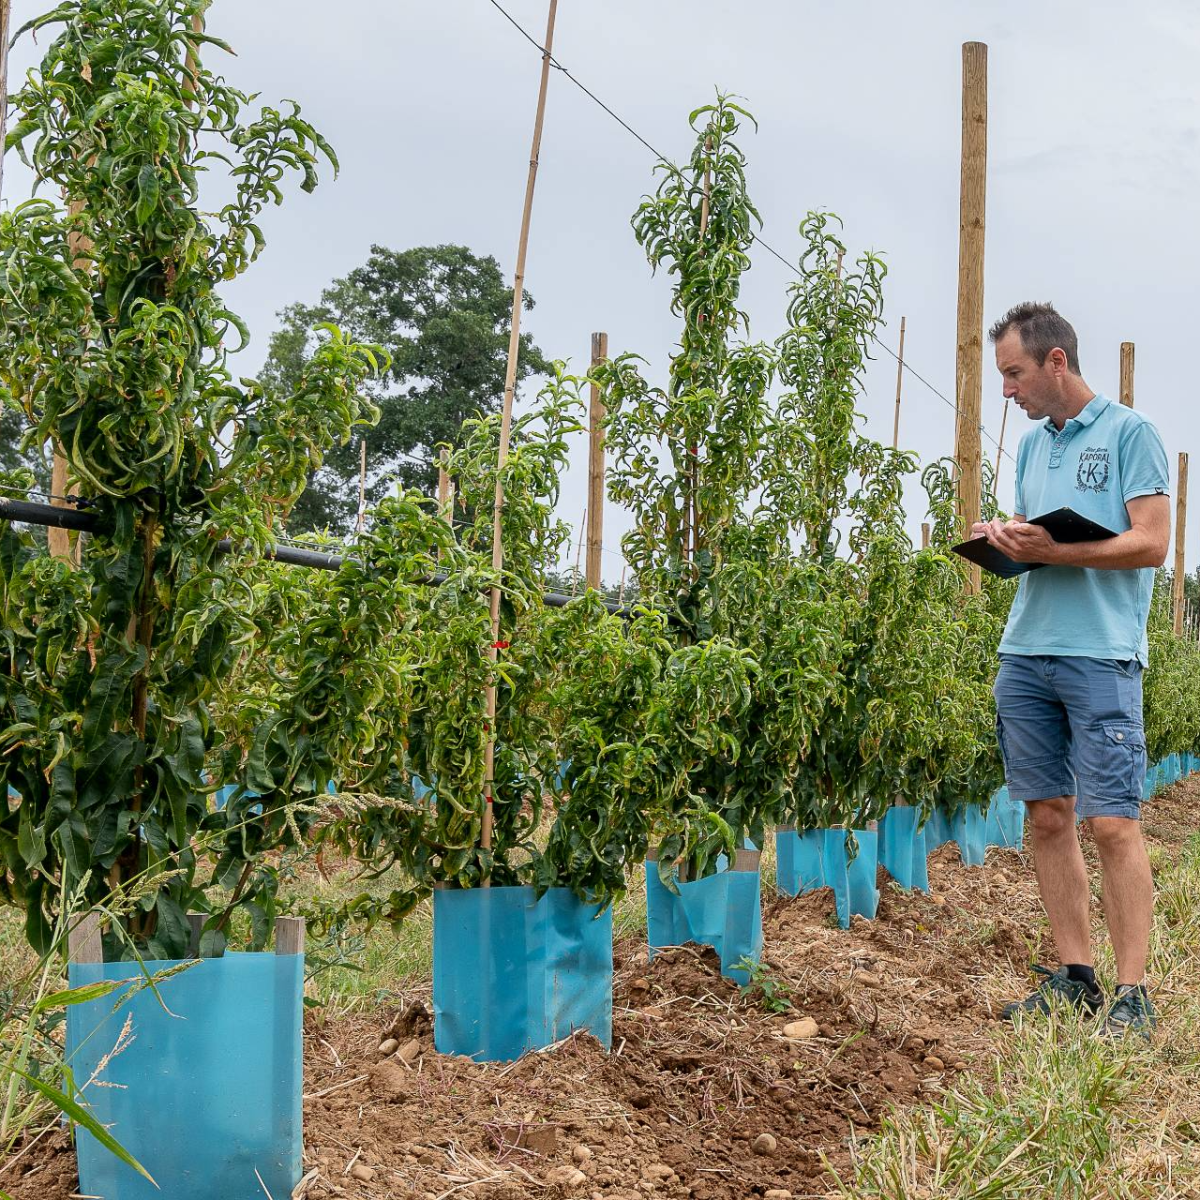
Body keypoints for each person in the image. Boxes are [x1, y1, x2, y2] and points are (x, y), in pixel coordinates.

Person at [973, 301, 1170, 1037]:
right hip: (1027, 650)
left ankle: (1132, 993)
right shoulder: (1032, 447)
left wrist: (1056, 551)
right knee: (1047, 816)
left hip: (1102, 653)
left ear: (1056, 362)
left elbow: (1151, 544)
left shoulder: (1130, 433)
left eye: (1014, 373)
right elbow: (1041, 545)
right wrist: (1006, 542)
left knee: (1113, 822)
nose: (1007, 390)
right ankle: (1076, 976)